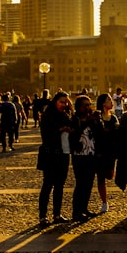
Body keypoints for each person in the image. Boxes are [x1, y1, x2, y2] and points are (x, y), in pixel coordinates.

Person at [38, 91, 74, 226]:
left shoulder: (65, 115)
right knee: (47, 185)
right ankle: (43, 216)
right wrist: (60, 130)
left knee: (60, 185)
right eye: (61, 102)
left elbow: (73, 125)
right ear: (55, 102)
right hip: (51, 153)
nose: (64, 105)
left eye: (66, 102)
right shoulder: (48, 116)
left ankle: (57, 214)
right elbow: (46, 136)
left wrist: (71, 108)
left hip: (63, 153)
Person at [69, 94, 98, 222]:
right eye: (85, 105)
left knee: (89, 183)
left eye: (89, 104)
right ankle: (76, 211)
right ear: (79, 107)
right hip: (79, 154)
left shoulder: (92, 119)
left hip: (91, 154)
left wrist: (95, 121)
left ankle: (84, 208)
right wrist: (86, 122)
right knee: (81, 183)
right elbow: (74, 133)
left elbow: (98, 134)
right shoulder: (75, 119)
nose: (88, 107)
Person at [93, 93, 119, 213]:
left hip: (111, 152)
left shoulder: (113, 118)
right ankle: (104, 202)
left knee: (109, 175)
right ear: (103, 103)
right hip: (99, 151)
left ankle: (104, 201)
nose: (111, 101)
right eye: (109, 100)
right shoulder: (97, 117)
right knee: (101, 178)